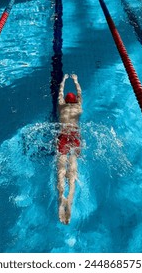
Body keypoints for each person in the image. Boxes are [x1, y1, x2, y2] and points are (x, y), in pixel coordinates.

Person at [56, 73, 82, 225]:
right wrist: (76, 80)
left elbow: (60, 92)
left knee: (61, 167)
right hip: (75, 136)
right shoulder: (78, 106)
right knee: (72, 169)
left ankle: (61, 196)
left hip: (63, 135)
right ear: (76, 101)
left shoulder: (61, 106)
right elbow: (80, 93)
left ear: (66, 101)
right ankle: (70, 197)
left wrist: (64, 80)